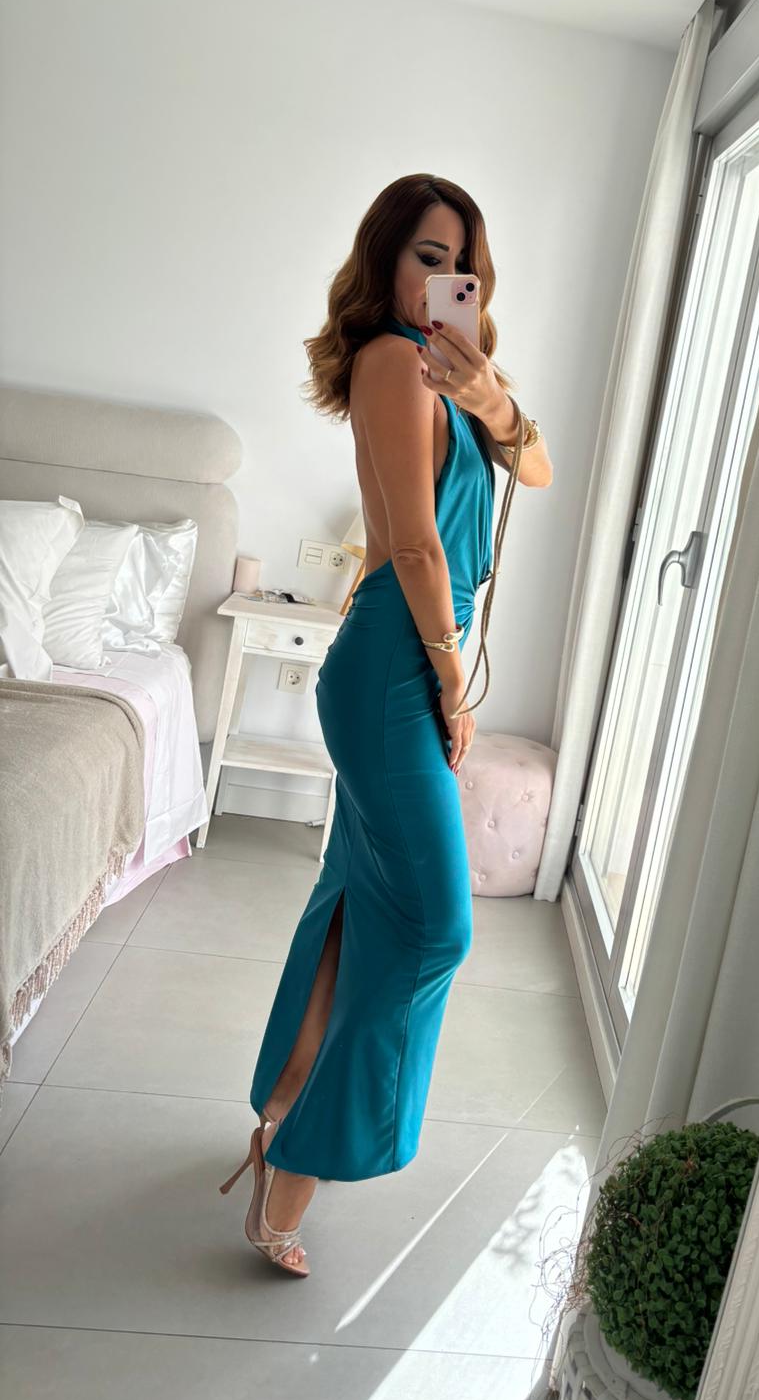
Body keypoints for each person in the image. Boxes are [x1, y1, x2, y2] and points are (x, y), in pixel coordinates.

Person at [218, 174, 550, 1274]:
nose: (444, 279)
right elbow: (413, 544)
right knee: (435, 927)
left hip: (408, 663)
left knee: (361, 906)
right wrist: (452, 683)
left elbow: (538, 466)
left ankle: (282, 1109)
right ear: (386, 260)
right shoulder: (391, 364)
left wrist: (492, 396)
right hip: (392, 669)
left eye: (462, 264)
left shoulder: (456, 377)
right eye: (425, 256)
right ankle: (294, 1170)